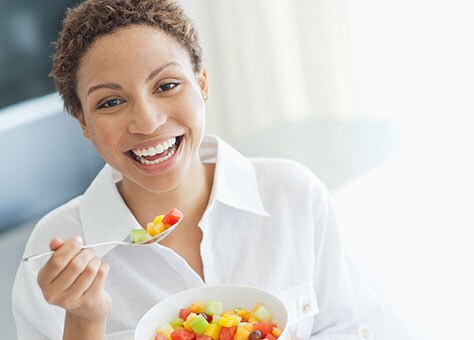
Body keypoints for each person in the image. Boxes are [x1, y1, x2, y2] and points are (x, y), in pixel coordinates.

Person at [11, 0, 385, 339]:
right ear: (83, 124)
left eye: (167, 85)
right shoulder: (52, 252)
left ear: (202, 85)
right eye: (111, 102)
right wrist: (85, 321)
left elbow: (351, 327)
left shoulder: (292, 193)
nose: (147, 121)